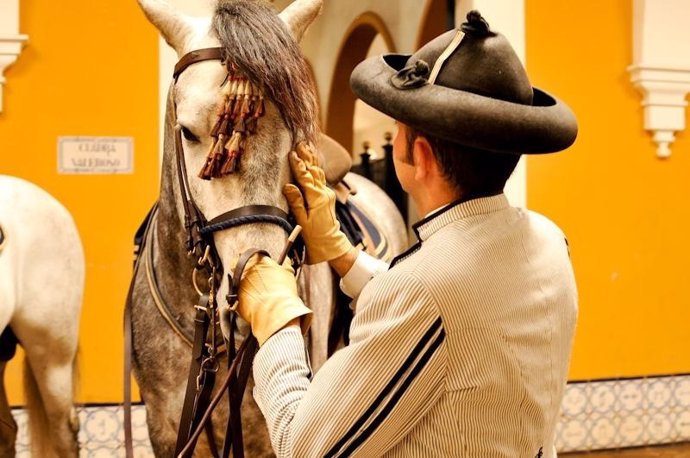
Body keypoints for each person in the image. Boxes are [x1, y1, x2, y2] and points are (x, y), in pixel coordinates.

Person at [235, 10, 578, 457]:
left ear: (420, 155)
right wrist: (342, 253)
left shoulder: (424, 289)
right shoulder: (551, 240)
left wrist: (275, 320)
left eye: (397, 125)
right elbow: (462, 313)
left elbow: (305, 447)